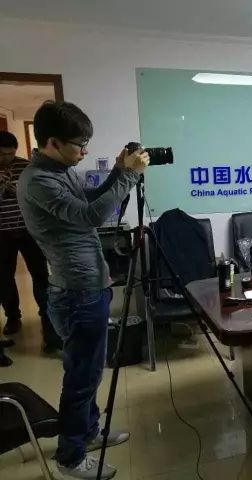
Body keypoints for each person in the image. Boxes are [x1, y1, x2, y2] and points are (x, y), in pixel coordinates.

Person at [17, 101, 149, 480]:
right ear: (53, 142)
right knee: (81, 378)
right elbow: (91, 216)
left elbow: (88, 202)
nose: (86, 151)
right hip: (76, 293)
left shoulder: (59, 171)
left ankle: (88, 433)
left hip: (88, 286)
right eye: (80, 144)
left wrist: (119, 172)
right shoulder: (39, 181)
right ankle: (70, 457)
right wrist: (129, 177)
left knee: (88, 373)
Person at [0, 130, 62, 351]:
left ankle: (47, 320)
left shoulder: (27, 167)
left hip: (29, 232)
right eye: (2, 154)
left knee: (40, 276)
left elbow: (38, 199)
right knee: (4, 279)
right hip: (1, 234)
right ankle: (13, 316)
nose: (6, 158)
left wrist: (18, 190)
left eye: (10, 153)